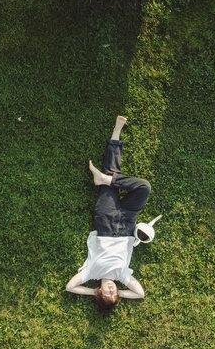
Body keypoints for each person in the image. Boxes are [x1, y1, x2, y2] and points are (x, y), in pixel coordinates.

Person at [64, 115, 159, 311]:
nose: (111, 291)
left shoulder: (91, 273)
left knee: (111, 171)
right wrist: (123, 294)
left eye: (106, 294)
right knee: (144, 187)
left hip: (106, 222)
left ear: (100, 291)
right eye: (114, 294)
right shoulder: (122, 275)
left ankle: (116, 133)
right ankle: (105, 180)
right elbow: (140, 294)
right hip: (127, 224)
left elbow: (70, 287)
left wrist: (93, 292)